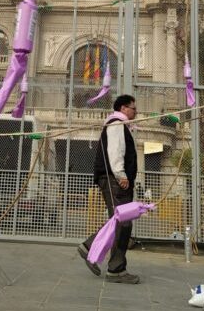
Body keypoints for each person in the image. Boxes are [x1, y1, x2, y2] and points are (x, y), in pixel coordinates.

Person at [78, 94, 140, 284]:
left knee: (120, 220)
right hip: (114, 179)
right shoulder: (116, 123)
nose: (135, 111)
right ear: (123, 108)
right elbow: (115, 150)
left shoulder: (121, 124)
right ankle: (114, 268)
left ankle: (93, 249)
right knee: (123, 222)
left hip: (114, 179)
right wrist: (121, 175)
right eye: (133, 108)